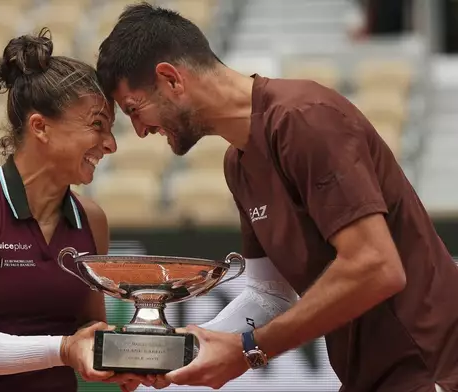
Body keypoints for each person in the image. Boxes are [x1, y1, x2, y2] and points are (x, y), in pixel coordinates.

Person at [96, 3, 458, 392]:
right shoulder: (238, 163)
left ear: (171, 80)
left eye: (135, 110)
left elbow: (376, 266)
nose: (139, 131)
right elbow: (268, 295)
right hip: (375, 377)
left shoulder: (302, 118)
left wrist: (251, 349)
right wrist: (184, 351)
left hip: (435, 370)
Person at [0, 29, 146, 392]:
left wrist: (125, 358)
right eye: (97, 126)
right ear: (40, 127)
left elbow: (87, 330)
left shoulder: (92, 219)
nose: (111, 144)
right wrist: (63, 349)